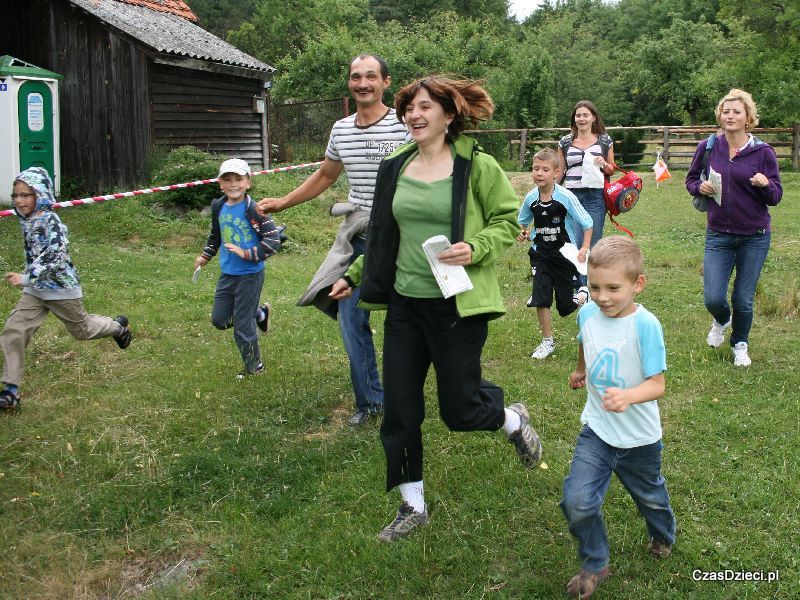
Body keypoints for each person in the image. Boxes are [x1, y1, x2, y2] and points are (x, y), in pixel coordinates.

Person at [330, 75, 543, 542]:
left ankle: (512, 419)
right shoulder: (396, 166)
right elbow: (386, 234)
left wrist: (476, 246)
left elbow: (509, 220)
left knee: (460, 409)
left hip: (455, 304)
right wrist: (353, 274)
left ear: (449, 115)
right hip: (406, 305)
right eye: (409, 107)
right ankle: (413, 504)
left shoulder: (478, 166)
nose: (414, 114)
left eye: (425, 107)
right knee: (400, 409)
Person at [258, 54, 408, 426]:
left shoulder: (405, 125)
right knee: (349, 317)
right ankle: (371, 402)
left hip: (403, 237)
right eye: (356, 77)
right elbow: (326, 175)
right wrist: (283, 202)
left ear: (385, 82)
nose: (363, 84)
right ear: (350, 83)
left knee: (407, 320)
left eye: (371, 76)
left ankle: (408, 395)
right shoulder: (340, 130)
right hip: (359, 235)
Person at [561, 236, 675, 599]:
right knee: (577, 501)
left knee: (650, 496)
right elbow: (584, 338)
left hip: (640, 438)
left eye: (613, 288)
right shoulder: (588, 312)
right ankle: (595, 561)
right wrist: (580, 369)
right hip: (598, 428)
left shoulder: (646, 326)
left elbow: (657, 385)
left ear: (637, 284)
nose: (602, 296)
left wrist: (629, 395)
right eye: (594, 287)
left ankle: (662, 533)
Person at [0, 167, 132, 409]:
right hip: (36, 292)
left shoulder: (50, 220)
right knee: (14, 330)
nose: (19, 200)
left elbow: (56, 254)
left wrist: (27, 277)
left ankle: (118, 327)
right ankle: (11, 391)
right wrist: (31, 281)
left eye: (25, 195)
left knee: (82, 330)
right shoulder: (27, 219)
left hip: (61, 289)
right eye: (16, 195)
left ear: (39, 194)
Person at [685, 88, 782, 367]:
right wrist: (698, 186)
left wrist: (766, 184)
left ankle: (740, 344)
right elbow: (691, 179)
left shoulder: (763, 152)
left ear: (747, 118)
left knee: (743, 298)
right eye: (725, 111)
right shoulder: (709, 147)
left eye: (736, 111)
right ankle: (721, 318)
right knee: (713, 297)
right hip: (718, 235)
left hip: (755, 235)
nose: (730, 116)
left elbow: (776, 196)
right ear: (720, 115)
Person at [194, 158, 280, 378]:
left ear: (248, 182)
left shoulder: (255, 210)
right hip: (228, 274)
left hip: (250, 275)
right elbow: (216, 235)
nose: (233, 184)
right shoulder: (219, 206)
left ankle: (255, 367)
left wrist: (246, 254)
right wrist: (206, 255)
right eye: (228, 180)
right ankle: (260, 313)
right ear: (220, 184)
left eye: (238, 179)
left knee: (242, 326)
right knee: (220, 320)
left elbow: (273, 241)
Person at [518, 147, 592, 360]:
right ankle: (547, 341)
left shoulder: (566, 197)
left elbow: (587, 223)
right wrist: (522, 232)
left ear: (556, 173)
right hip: (540, 255)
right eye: (535, 169)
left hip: (564, 256)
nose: (539, 173)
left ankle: (582, 295)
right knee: (541, 298)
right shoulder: (530, 198)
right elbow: (521, 222)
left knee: (566, 306)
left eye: (545, 169)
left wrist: (585, 247)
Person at [557, 101, 615, 251]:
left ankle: (591, 275)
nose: (581, 119)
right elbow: (560, 171)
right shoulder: (564, 142)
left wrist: (603, 164)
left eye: (585, 115)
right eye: (578, 115)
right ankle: (578, 275)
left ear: (593, 118)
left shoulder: (604, 140)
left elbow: (611, 169)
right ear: (574, 118)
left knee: (593, 244)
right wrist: (552, 193)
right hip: (571, 196)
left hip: (595, 196)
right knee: (575, 243)